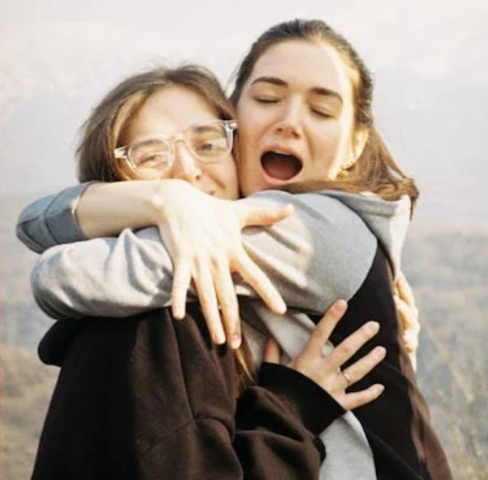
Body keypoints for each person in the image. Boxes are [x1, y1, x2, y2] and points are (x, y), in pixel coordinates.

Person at [18, 19, 448, 480]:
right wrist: (164, 199)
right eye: (267, 99)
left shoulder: (311, 226)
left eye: (321, 110)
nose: (289, 121)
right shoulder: (162, 320)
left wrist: (165, 200)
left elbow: (61, 276)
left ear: (355, 145)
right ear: (237, 119)